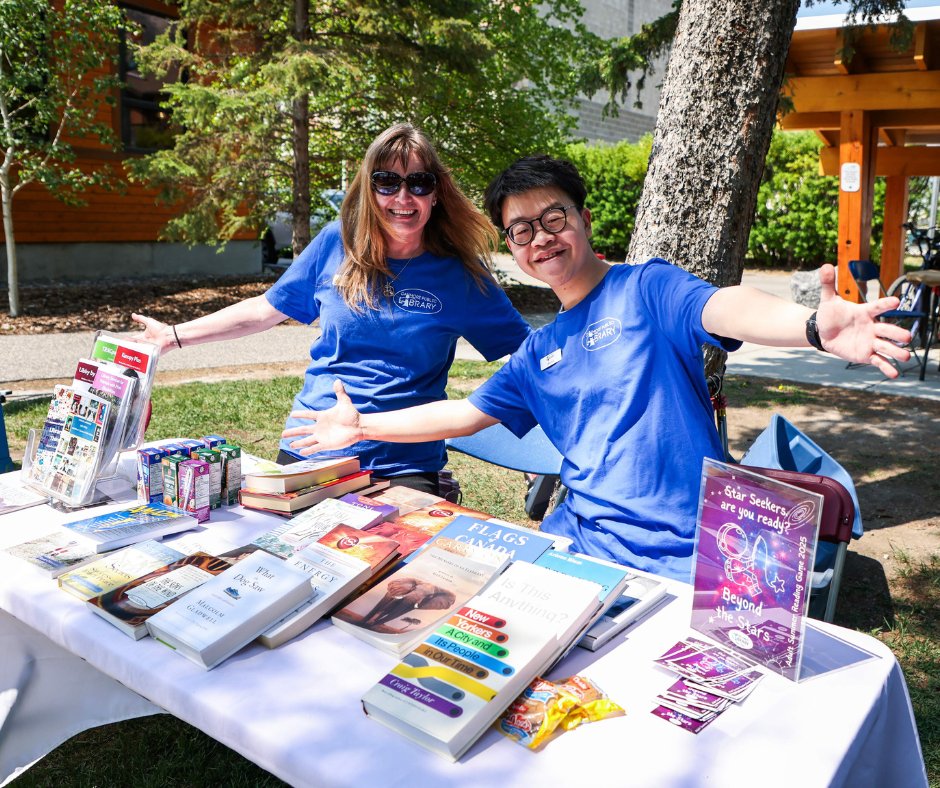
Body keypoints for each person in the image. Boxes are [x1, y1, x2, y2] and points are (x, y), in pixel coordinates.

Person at [283, 154, 912, 582]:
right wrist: (362, 425)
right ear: (513, 251)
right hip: (577, 547)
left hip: (683, 556)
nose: (540, 238)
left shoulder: (648, 289)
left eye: (553, 217)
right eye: (520, 230)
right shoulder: (538, 351)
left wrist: (809, 328)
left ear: (583, 218)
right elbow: (465, 413)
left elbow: (726, 306)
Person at [131, 124, 530, 494]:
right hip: (314, 443)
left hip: (403, 459)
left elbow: (528, 353)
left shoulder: (459, 273)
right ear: (369, 190)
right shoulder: (336, 243)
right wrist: (171, 336)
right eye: (387, 182)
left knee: (399, 567)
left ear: (437, 192)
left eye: (418, 183)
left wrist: (530, 426)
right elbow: (266, 310)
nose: (403, 198)